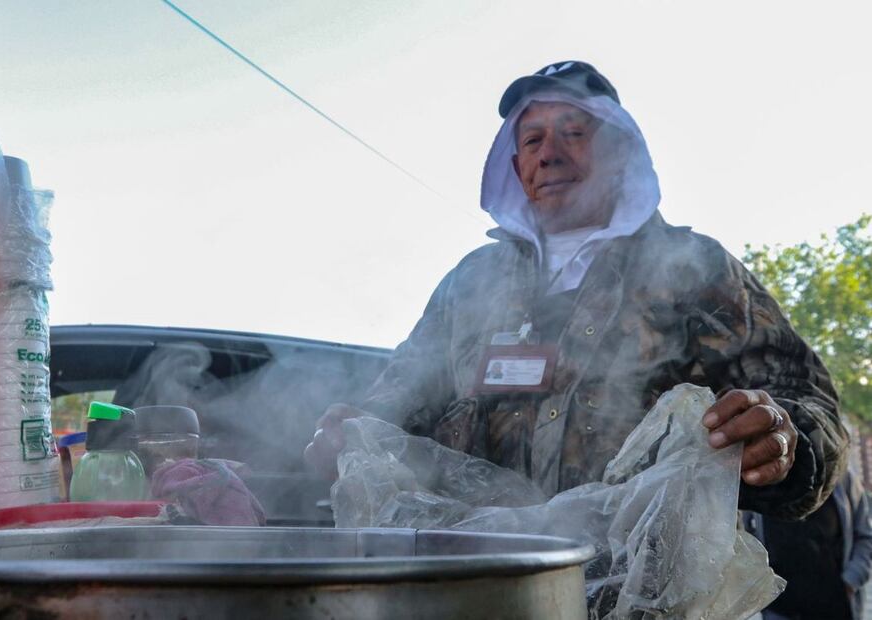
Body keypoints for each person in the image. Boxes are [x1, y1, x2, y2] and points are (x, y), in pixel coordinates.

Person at [304, 61, 848, 519]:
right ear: (516, 168)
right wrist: (351, 438)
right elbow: (393, 411)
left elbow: (809, 405)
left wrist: (784, 439)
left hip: (648, 598)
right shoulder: (468, 285)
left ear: (620, 151)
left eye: (575, 133)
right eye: (533, 139)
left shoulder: (697, 268)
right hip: (480, 586)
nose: (550, 154)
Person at [744, 470, 872, 619]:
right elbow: (745, 538)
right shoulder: (757, 479)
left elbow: (865, 537)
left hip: (835, 607)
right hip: (780, 610)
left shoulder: (843, 478)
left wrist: (851, 581)